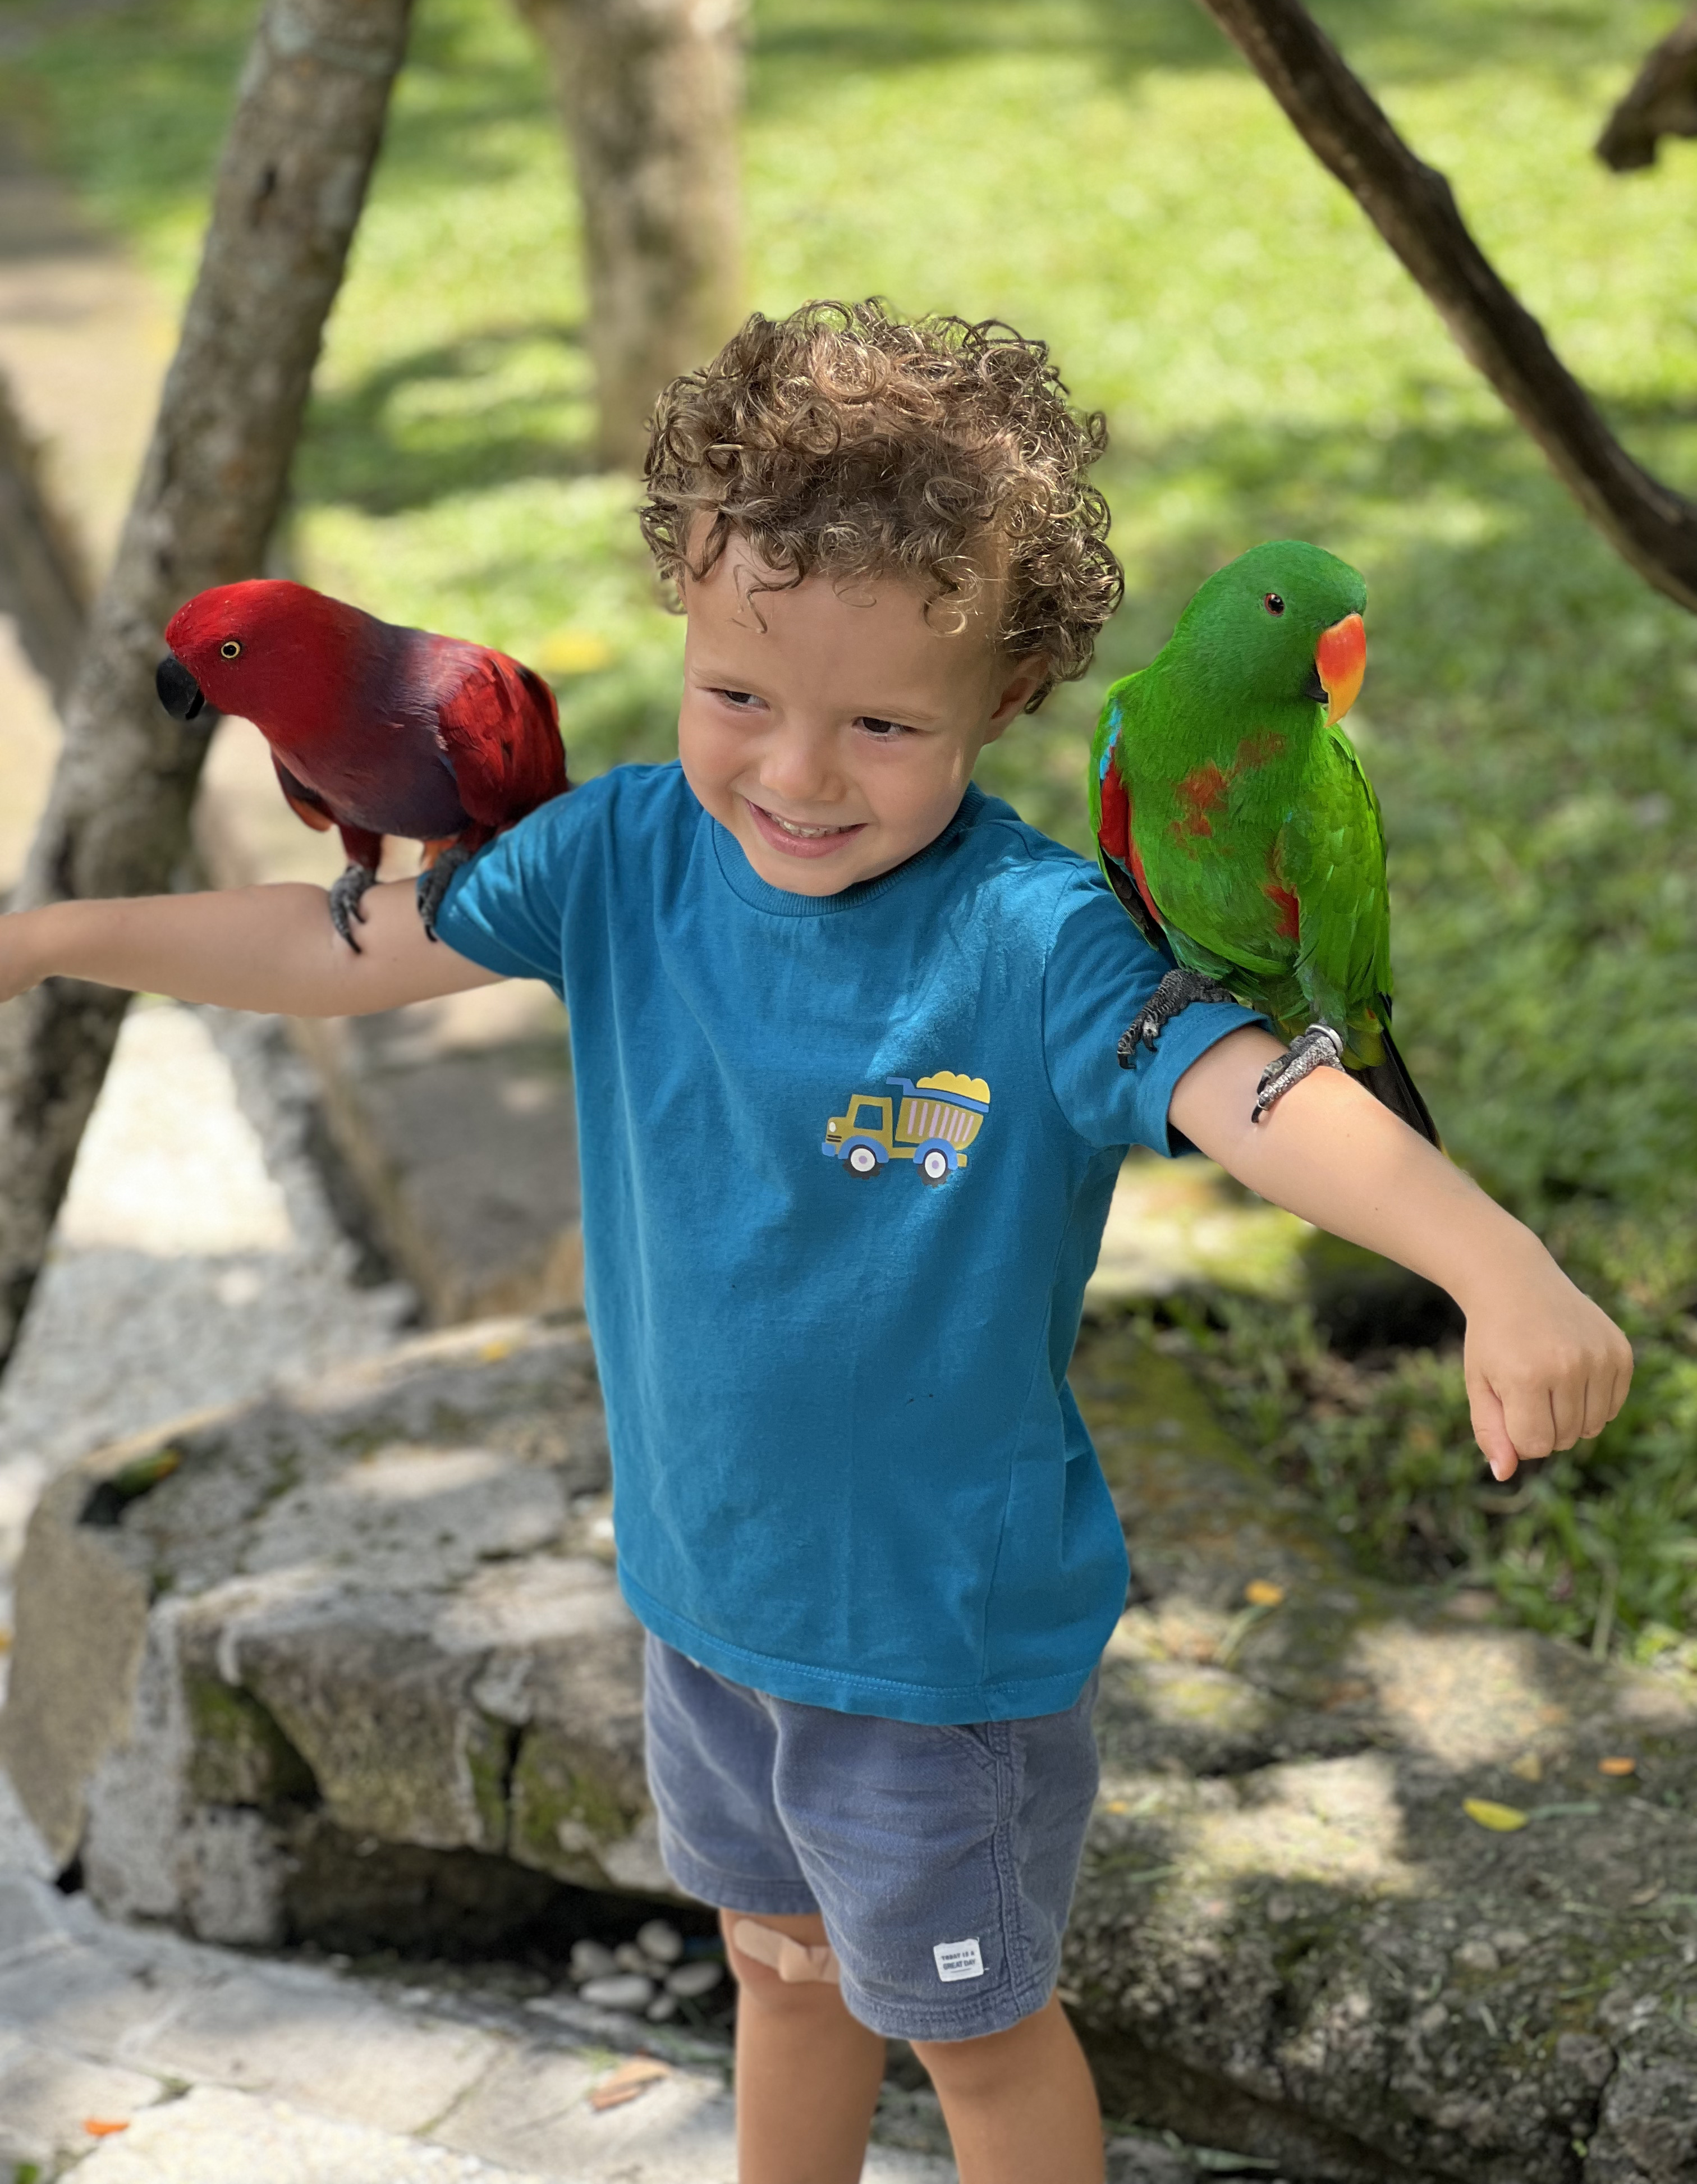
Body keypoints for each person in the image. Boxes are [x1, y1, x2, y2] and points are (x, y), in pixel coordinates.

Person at [0, 301, 1631, 2184]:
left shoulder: (1037, 937)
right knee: (777, 1975)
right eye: (739, 700)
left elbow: (1256, 1092)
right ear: (685, 623)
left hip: (935, 1659)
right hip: (709, 1611)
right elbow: (323, 949)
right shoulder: (613, 860)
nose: (799, 773)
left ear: (1008, 697)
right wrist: (47, 944)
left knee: (981, 2044)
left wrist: (1493, 1262)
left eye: (882, 723)